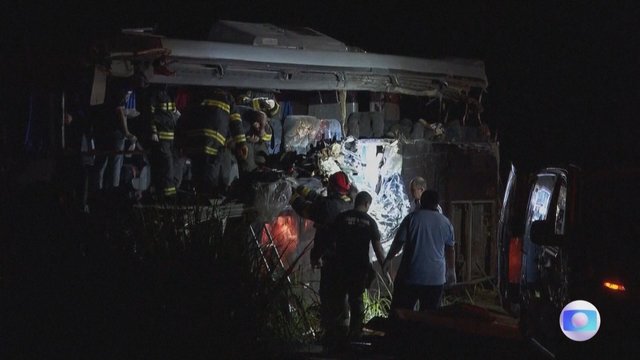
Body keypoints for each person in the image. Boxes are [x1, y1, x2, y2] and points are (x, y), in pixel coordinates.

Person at [290, 171, 354, 349]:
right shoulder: (348, 202)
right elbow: (320, 200)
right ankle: (343, 333)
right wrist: (300, 188)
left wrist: (291, 196)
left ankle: (331, 337)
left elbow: (307, 210)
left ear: (332, 187)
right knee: (342, 297)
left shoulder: (330, 207)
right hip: (347, 259)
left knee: (329, 296)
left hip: (332, 259)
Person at [383, 190, 456, 312]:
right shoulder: (446, 222)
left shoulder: (411, 219)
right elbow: (450, 249)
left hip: (410, 277)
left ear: (422, 201)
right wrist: (451, 271)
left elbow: (398, 243)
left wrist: (388, 258)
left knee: (401, 314)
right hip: (435, 279)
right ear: (437, 203)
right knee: (430, 318)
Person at [332, 191, 385, 344]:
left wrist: (317, 256)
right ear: (367, 204)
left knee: (339, 298)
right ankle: (355, 334)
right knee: (356, 300)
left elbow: (330, 239)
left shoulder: (342, 217)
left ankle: (338, 333)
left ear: (356, 202)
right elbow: (377, 248)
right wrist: (384, 265)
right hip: (359, 268)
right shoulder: (370, 222)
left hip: (341, 265)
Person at [182, 88, 248, 196]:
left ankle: (199, 195)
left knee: (198, 169)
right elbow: (235, 121)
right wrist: (241, 143)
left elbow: (186, 116)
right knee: (210, 174)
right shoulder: (227, 98)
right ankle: (207, 197)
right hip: (212, 141)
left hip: (194, 139)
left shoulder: (197, 93)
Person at [149, 89, 180, 198]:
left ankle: (169, 190)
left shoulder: (170, 95)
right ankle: (168, 194)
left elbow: (171, 113)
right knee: (168, 165)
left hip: (171, 138)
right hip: (162, 138)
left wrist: (176, 112)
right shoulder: (156, 95)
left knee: (172, 165)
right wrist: (154, 131)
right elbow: (151, 116)